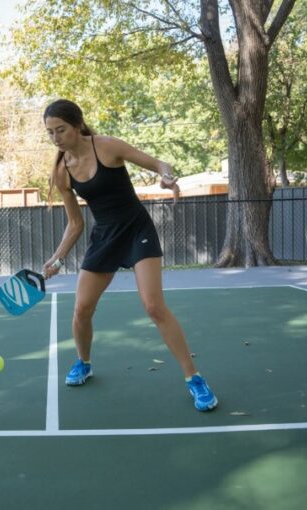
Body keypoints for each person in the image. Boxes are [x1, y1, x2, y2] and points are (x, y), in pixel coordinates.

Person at [41, 99, 218, 412]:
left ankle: (194, 378)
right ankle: (84, 362)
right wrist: (56, 258)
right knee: (81, 309)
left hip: (137, 230)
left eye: (61, 130)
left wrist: (167, 177)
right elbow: (75, 223)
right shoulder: (62, 172)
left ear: (77, 124)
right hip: (104, 237)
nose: (56, 138)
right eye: (50, 133)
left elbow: (160, 164)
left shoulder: (107, 147)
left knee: (154, 306)